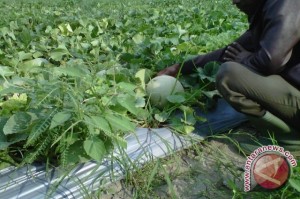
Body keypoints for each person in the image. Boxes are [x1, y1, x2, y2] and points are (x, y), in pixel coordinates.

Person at [157, 0, 300, 146]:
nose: (234, 2)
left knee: (230, 75)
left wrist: (245, 59)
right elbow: (228, 51)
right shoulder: (268, 9)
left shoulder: (285, 4)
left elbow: (270, 61)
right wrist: (179, 68)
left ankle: (289, 137)